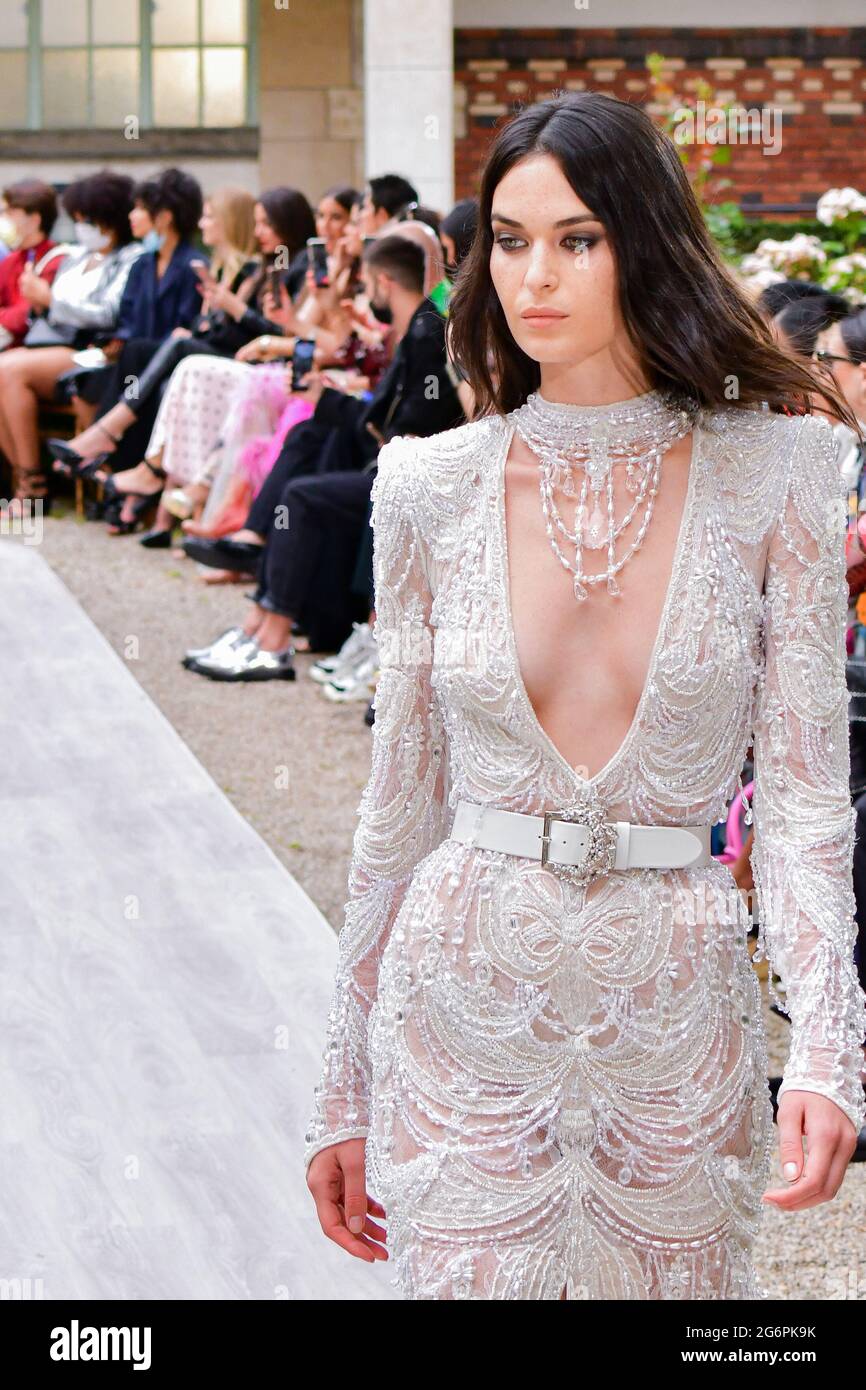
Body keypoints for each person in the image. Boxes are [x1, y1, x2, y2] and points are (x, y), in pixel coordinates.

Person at [302, 91, 866, 1302]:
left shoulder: (781, 472)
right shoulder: (424, 487)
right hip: (463, 997)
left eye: (576, 237)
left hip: (676, 1002)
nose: (532, 275)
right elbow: (399, 802)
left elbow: (810, 804)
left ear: (644, 239)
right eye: (507, 240)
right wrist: (340, 1080)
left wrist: (824, 1043)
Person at [182, 233, 465, 676]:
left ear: (384, 281)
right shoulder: (416, 329)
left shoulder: (430, 333)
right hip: (392, 461)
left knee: (302, 494)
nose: (363, 292)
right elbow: (384, 415)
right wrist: (330, 398)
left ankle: (273, 634)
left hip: (415, 475)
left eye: (367, 282)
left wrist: (334, 398)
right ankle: (258, 612)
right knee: (310, 434)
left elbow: (404, 428)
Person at [0, 169, 141, 511]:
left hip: (90, 351)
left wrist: (49, 300)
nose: (81, 226)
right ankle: (24, 479)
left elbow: (108, 312)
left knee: (8, 370)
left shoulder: (129, 258)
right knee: (5, 371)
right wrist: (41, 302)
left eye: (87, 218)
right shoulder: (77, 257)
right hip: (53, 346)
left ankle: (33, 482)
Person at [0, 179, 64, 351]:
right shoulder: (11, 260)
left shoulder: (58, 259)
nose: (4, 219)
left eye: (10, 212)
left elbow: (24, 316)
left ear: (35, 220)